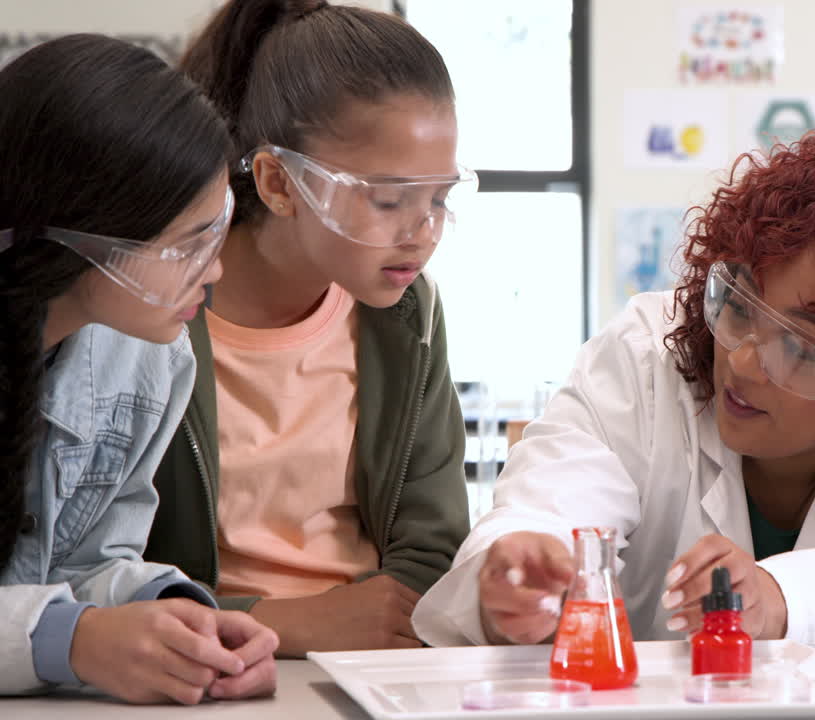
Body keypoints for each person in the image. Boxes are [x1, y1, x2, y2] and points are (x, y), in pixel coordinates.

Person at [414, 127, 815, 656]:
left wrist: (778, 598)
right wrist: (520, 573)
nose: (745, 363)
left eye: (801, 347)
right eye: (740, 305)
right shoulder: (648, 357)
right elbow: (550, 501)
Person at [144, 0, 473, 657]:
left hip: (371, 662)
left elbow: (433, 543)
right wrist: (282, 624)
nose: (422, 232)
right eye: (388, 200)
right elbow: (96, 562)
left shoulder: (409, 315)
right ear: (278, 183)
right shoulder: (150, 312)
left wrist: (378, 624)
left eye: (439, 198)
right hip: (200, 662)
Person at [0, 34, 276, 702]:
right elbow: (62, 625)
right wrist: (71, 640)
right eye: (190, 244)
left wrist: (178, 614)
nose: (213, 271)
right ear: (85, 237)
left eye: (219, 229)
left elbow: (87, 559)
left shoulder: (151, 356)